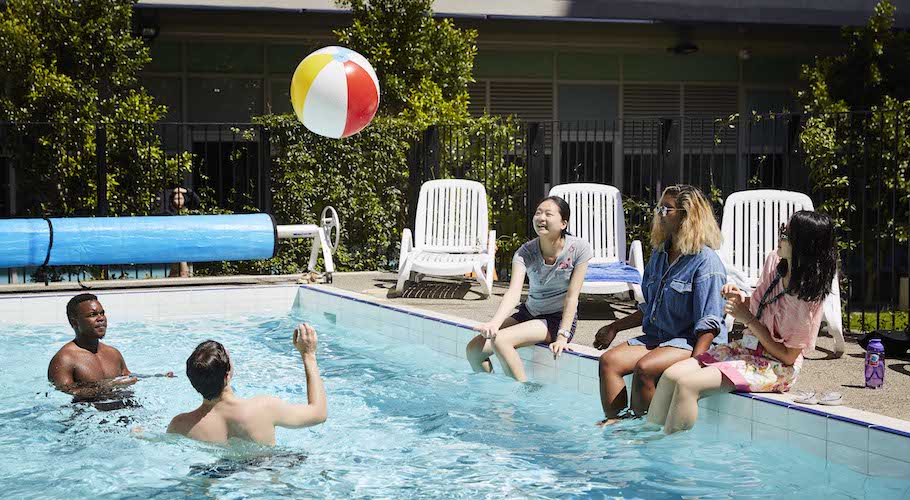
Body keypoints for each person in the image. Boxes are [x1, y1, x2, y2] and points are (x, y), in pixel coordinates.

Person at [646, 210, 837, 435]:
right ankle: (649, 443)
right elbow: (761, 305)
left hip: (775, 367)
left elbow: (788, 356)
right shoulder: (775, 262)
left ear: (803, 246)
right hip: (746, 349)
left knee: (688, 386)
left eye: (787, 234)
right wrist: (740, 299)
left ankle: (671, 454)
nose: (780, 237)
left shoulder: (807, 300)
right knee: (670, 375)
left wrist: (747, 318)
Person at [593, 185, 727, 426]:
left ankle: (642, 430)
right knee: (609, 361)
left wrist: (695, 364)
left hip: (690, 341)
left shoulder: (706, 262)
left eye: (667, 208)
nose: (660, 213)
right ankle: (616, 424)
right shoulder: (660, 253)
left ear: (687, 216)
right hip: (660, 335)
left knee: (645, 367)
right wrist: (615, 327)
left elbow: (710, 323)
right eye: (659, 207)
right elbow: (650, 306)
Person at [466, 196, 592, 382]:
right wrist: (495, 323)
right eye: (538, 213)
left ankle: (522, 395)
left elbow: (572, 297)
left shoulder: (579, 249)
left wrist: (563, 336)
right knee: (474, 350)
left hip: (556, 318)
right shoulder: (525, 252)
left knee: (501, 341)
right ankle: (490, 389)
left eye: (548, 214)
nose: (541, 218)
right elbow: (514, 293)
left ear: (563, 223)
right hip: (530, 312)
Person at [167, 323, 327, 445]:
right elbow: (319, 414)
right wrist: (308, 355)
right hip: (262, 476)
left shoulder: (181, 426)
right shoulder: (265, 408)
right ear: (228, 374)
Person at [48, 293, 174, 401]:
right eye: (92, 315)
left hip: (126, 410)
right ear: (74, 322)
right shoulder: (64, 359)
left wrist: (156, 377)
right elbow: (63, 392)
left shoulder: (113, 353)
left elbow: (127, 376)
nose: (100, 318)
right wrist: (107, 387)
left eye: (102, 313)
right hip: (92, 417)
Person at [161, 187, 199, 277]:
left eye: (181, 198)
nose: (179, 201)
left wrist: (186, 191)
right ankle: (183, 276)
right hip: (175, 242)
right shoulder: (169, 212)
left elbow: (197, 200)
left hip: (186, 241)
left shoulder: (187, 209)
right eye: (176, 199)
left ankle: (179, 276)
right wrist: (171, 191)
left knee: (179, 262)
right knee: (180, 260)